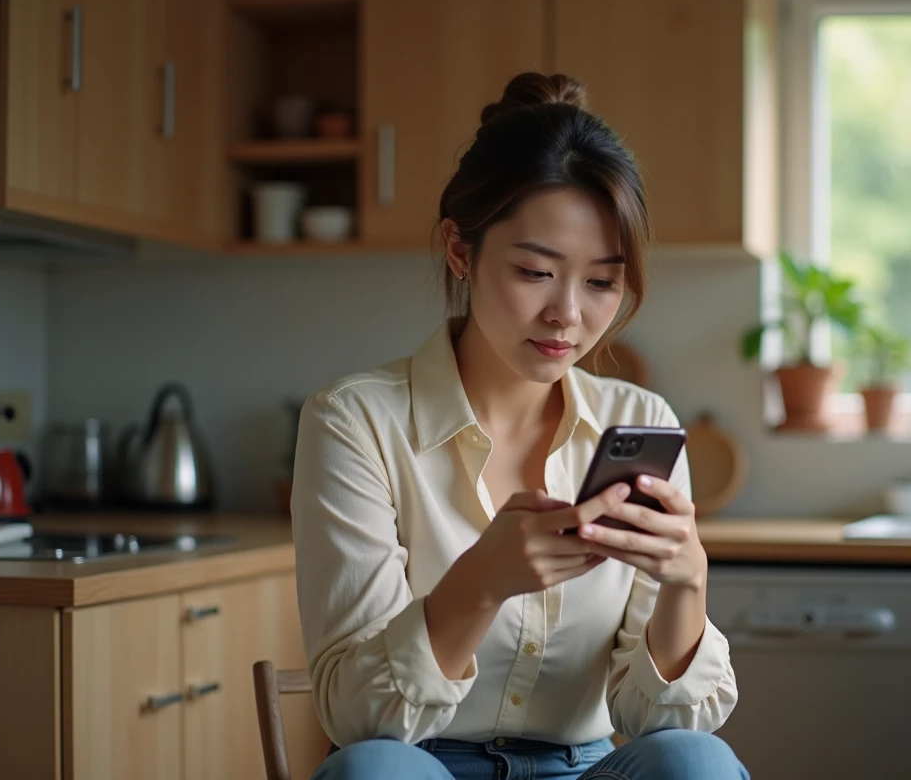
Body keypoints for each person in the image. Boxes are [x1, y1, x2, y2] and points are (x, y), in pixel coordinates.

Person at [292, 72, 746, 780]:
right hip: (421, 764)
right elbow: (357, 722)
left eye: (601, 282)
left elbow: (657, 723)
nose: (568, 314)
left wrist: (688, 582)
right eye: (535, 272)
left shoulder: (639, 422)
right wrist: (479, 583)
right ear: (460, 250)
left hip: (584, 764)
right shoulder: (356, 421)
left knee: (695, 760)